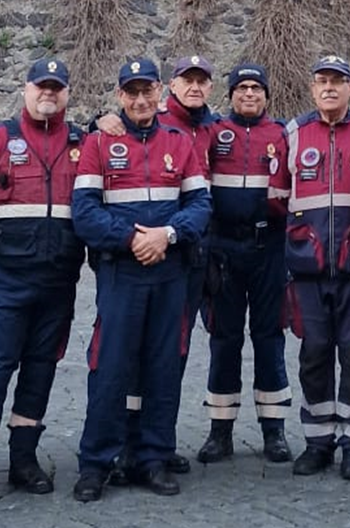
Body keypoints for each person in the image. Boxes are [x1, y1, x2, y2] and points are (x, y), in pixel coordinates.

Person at [71, 58, 211, 502]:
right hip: (122, 272)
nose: (140, 100)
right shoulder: (98, 144)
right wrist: (133, 239)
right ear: (120, 96)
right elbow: (85, 213)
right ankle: (96, 462)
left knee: (163, 367)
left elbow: (200, 206)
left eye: (147, 91)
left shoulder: (179, 142)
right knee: (110, 368)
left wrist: (167, 236)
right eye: (131, 92)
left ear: (158, 93)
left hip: (170, 270)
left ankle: (153, 457)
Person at [0, 58, 88, 507]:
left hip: (59, 282)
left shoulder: (80, 144)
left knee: (41, 371)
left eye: (57, 87)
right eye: (41, 87)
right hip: (8, 281)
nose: (48, 94)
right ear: (25, 90)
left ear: (67, 93)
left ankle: (24, 459)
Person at [278, 55, 350, 480]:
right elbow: (277, 196)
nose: (329, 88)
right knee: (314, 354)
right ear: (311, 87)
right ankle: (318, 440)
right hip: (308, 268)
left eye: (338, 82)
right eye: (322, 80)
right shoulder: (294, 133)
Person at [194, 62, 292, 464]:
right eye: (242, 88)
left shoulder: (284, 134)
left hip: (270, 247)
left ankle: (274, 431)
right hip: (223, 249)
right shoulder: (213, 132)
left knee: (269, 337)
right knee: (225, 338)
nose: (249, 94)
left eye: (256, 88)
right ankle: (221, 431)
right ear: (230, 94)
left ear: (267, 95)